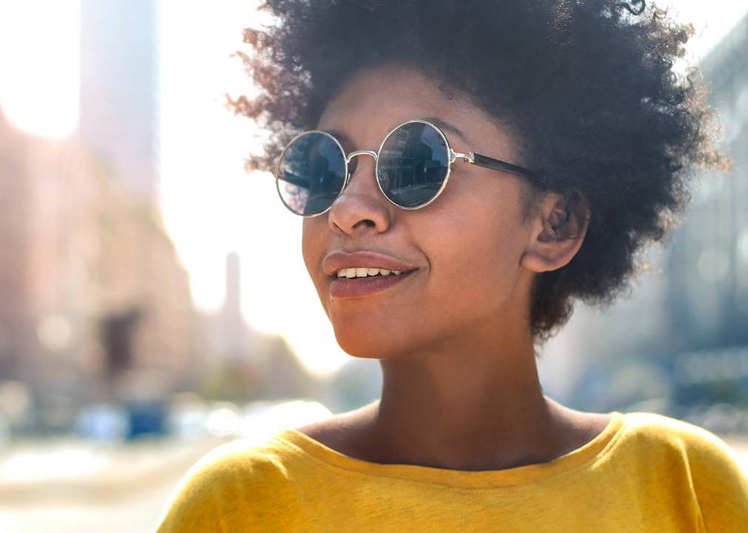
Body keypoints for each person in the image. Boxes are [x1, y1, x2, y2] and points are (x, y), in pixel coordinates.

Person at [152, 0, 748, 530]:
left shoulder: (686, 486)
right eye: (322, 169)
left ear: (553, 224)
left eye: (416, 163)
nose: (348, 211)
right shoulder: (240, 505)